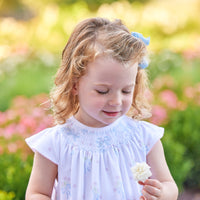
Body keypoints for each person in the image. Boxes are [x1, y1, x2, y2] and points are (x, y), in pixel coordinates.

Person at [25, 17, 178, 200]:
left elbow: (170, 186)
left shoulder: (143, 138)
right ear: (75, 84)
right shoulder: (57, 143)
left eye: (126, 90)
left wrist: (162, 193)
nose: (116, 101)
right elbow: (37, 193)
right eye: (103, 91)